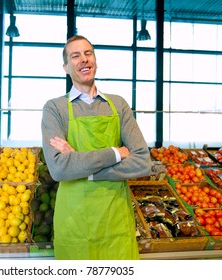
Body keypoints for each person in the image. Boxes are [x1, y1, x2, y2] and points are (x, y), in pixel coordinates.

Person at [41, 35, 152, 260]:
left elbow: (142, 162)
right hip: (74, 220)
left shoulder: (118, 104)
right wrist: (115, 153)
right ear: (65, 67)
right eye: (75, 56)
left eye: (88, 53)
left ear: (95, 61)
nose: (83, 59)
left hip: (116, 218)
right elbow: (60, 169)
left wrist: (83, 168)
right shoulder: (55, 109)